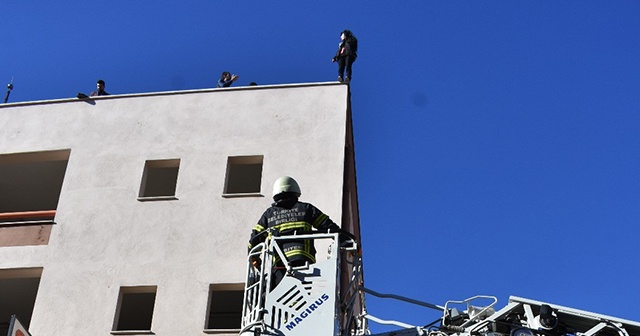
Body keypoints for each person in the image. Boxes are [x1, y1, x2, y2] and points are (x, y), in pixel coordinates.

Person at [249, 176, 343, 286]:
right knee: (303, 293)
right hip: (304, 261)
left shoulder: (268, 214)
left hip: (280, 264)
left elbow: (254, 238)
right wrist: (346, 240)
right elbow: (329, 226)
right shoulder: (307, 208)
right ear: (296, 192)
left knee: (282, 295)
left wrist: (254, 257)